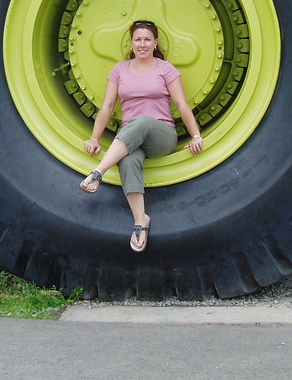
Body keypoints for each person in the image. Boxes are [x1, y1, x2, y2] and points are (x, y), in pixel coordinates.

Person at [80, 19, 204, 252]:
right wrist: (94, 138)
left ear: (156, 42)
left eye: (148, 39)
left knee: (144, 121)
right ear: (131, 42)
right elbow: (107, 107)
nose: (142, 44)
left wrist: (196, 136)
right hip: (131, 138)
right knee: (127, 160)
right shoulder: (119, 70)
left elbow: (182, 104)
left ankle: (98, 172)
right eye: (138, 39)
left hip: (161, 135)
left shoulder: (166, 69)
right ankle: (140, 222)